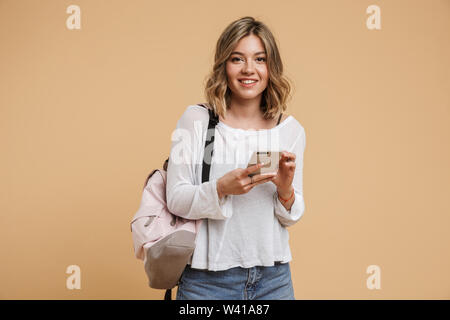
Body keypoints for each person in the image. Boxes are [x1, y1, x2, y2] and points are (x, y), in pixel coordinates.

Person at [166, 16, 306, 300]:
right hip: (206, 282)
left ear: (271, 67)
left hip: (274, 280)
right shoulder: (197, 121)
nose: (249, 69)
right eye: (237, 59)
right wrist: (220, 189)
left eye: (260, 59)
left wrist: (285, 190)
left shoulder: (290, 130)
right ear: (224, 66)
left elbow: (291, 216)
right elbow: (175, 199)